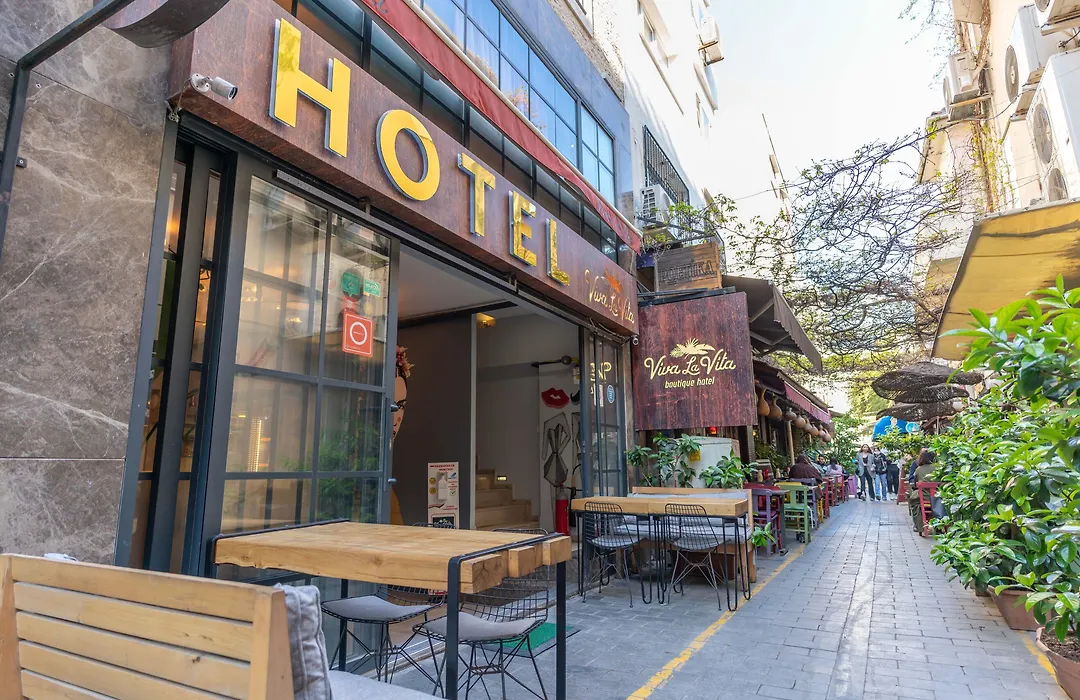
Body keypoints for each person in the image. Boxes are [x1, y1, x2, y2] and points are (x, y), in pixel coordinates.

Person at [908, 450, 938, 532]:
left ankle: (919, 525)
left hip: (925, 498)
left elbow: (915, 483)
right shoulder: (938, 468)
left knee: (914, 502)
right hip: (938, 497)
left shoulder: (919, 469)